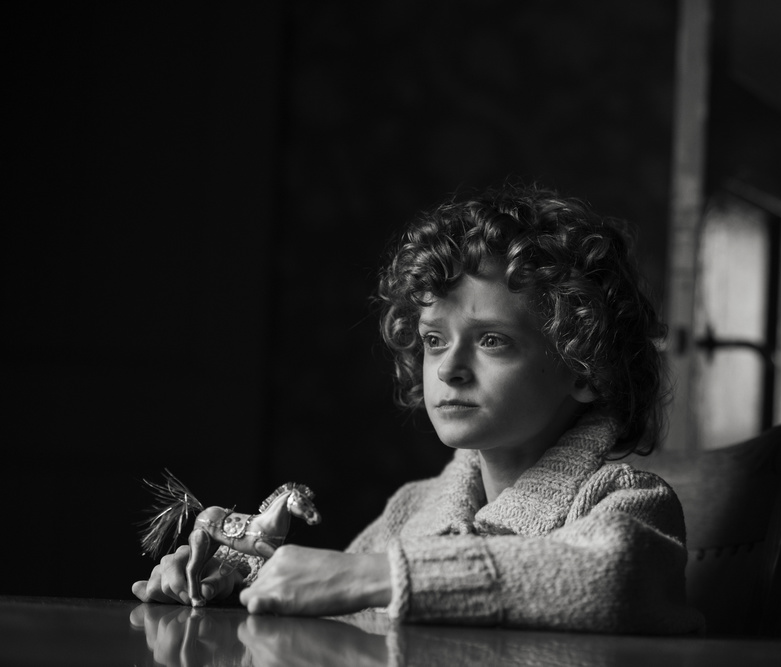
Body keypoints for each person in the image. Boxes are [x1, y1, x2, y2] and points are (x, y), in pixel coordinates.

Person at [133, 182, 705, 635]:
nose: (449, 368)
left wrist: (379, 575)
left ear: (584, 367)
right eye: (434, 340)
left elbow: (616, 578)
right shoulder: (413, 509)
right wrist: (238, 582)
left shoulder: (625, 500)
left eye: (491, 340)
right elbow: (337, 606)